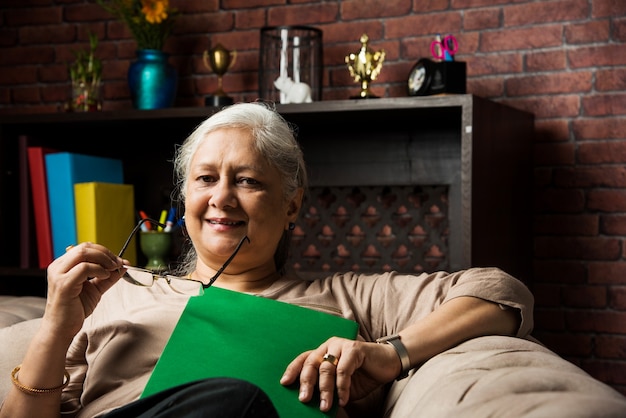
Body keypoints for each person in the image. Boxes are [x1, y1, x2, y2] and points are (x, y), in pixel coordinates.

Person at [0, 102, 534, 418]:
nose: (221, 198)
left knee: (237, 404)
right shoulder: (119, 292)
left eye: (248, 181)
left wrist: (388, 355)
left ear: (292, 204)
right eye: (205, 179)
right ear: (184, 197)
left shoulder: (344, 297)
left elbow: (499, 291)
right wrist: (55, 325)